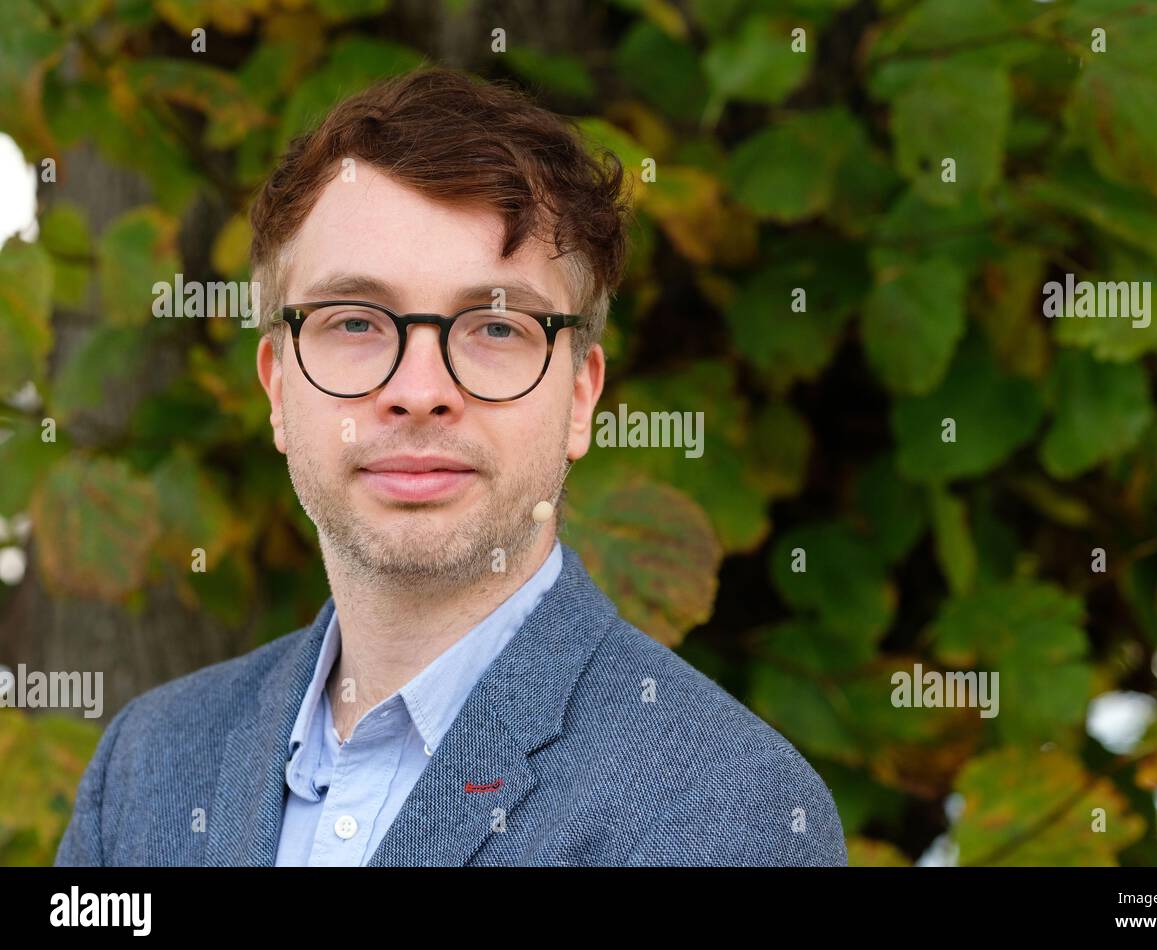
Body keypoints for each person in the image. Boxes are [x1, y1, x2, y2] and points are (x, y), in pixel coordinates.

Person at [55, 67, 847, 867]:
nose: (420, 392)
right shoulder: (146, 767)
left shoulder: (729, 814)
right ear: (276, 386)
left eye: (496, 328)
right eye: (356, 321)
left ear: (580, 397)